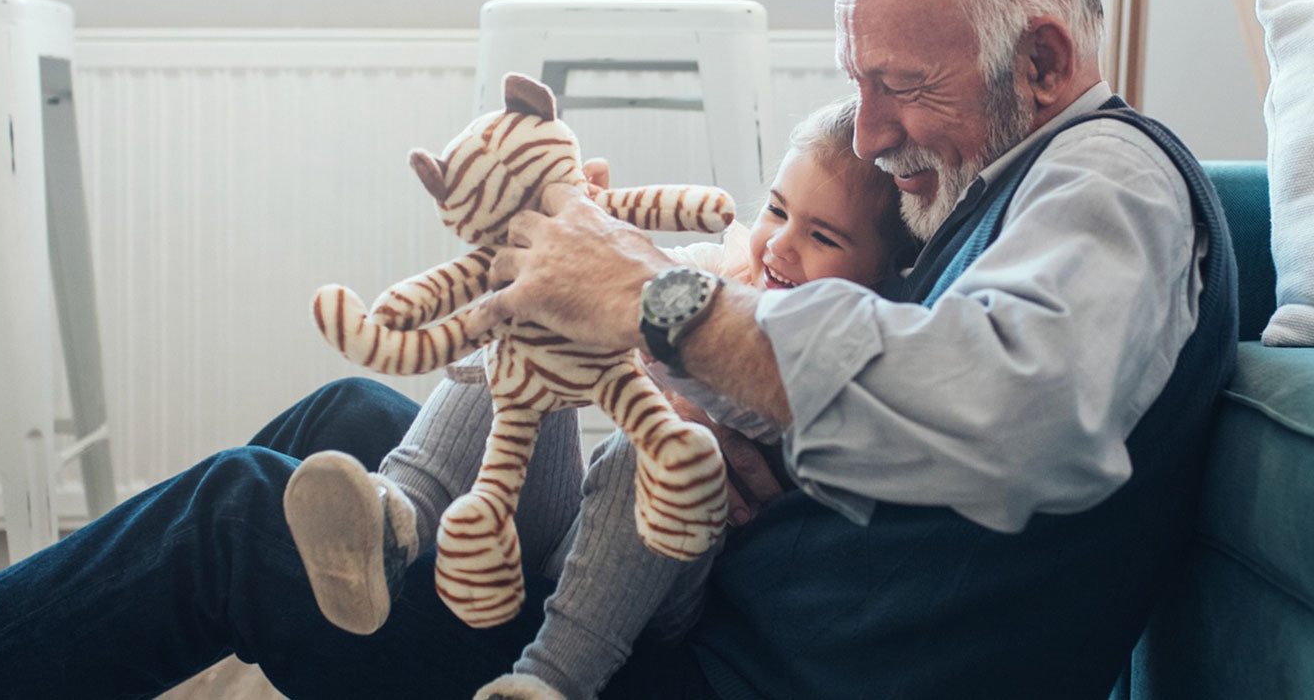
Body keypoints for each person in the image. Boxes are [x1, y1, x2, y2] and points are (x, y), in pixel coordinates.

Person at [0, 0, 1234, 699]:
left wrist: (666, 309)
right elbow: (881, 385)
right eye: (855, 83)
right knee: (347, 419)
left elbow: (1022, 412)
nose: (868, 133)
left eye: (904, 87)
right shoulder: (997, 185)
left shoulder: (1111, 179)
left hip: (704, 668)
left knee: (241, 518)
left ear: (1042, 59)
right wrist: (720, 410)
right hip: (709, 598)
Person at [281, 95, 914, 700]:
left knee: (654, 448)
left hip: (659, 587)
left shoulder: (837, 361)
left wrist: (671, 360)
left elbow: (756, 408)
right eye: (776, 210)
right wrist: (585, 240)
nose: (779, 245)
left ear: (881, 277)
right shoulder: (725, 270)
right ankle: (394, 521)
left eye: (823, 238)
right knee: (536, 310)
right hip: (573, 541)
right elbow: (620, 283)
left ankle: (551, 678)